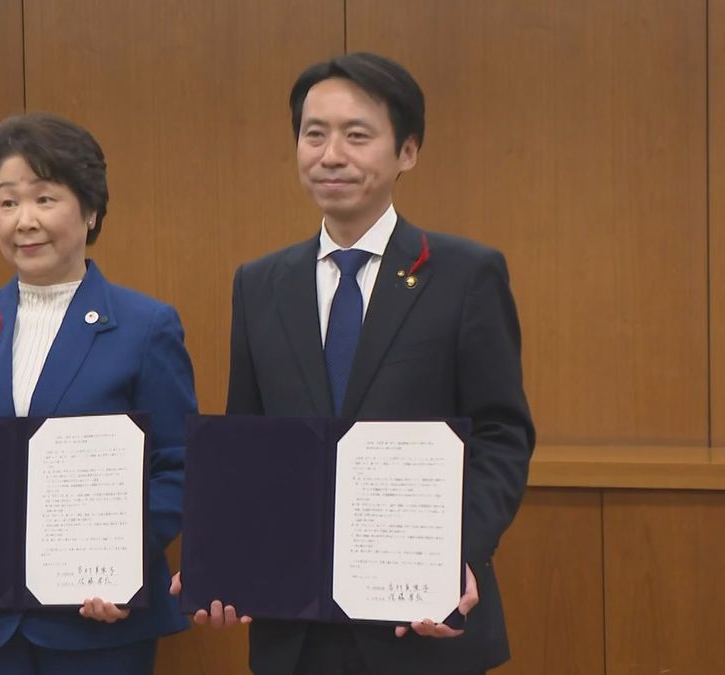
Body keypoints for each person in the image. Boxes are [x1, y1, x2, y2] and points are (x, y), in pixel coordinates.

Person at [171, 52, 535, 675]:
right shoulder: (259, 284)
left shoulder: (465, 274)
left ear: (407, 152)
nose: (330, 154)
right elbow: (252, 442)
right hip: (296, 632)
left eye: (357, 135)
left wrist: (457, 554)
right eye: (314, 134)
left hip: (419, 624)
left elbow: (503, 434)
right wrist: (226, 558)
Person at [0, 113, 196, 675]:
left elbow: (178, 466)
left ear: (89, 210)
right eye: (7, 202)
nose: (24, 221)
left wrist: (122, 563)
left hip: (97, 623)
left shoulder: (145, 326)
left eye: (44, 199)